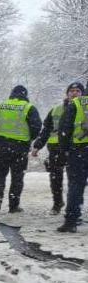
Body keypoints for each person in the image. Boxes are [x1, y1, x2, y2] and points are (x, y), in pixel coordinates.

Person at [31, 82, 84, 214]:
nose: (74, 93)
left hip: (78, 148)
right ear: (67, 93)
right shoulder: (56, 109)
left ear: (82, 93)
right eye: (71, 91)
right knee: (55, 177)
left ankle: (73, 206)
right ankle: (57, 203)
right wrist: (37, 146)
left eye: (78, 91)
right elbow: (47, 129)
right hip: (56, 148)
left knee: (76, 180)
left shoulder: (85, 108)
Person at [0, 85, 41, 213]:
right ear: (25, 95)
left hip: (1, 146)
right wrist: (30, 138)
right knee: (17, 177)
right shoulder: (28, 108)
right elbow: (36, 126)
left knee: (0, 173)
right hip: (20, 147)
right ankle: (13, 205)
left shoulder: (0, 105)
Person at [57, 81, 88, 233]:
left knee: (76, 185)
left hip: (79, 150)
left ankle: (71, 221)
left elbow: (64, 128)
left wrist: (63, 151)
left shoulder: (77, 103)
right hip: (80, 150)